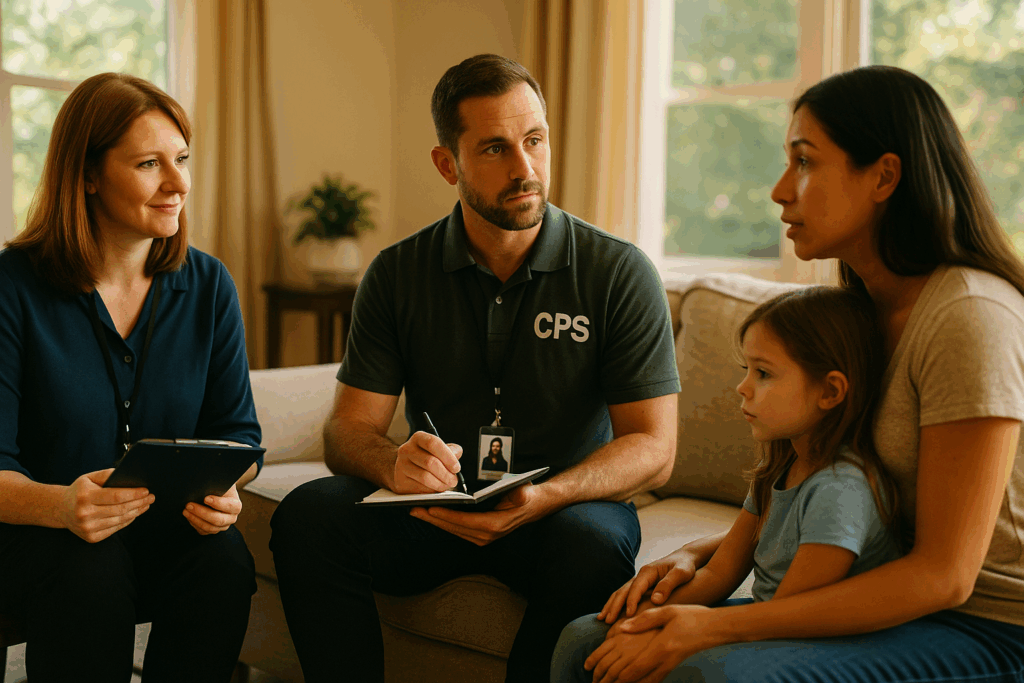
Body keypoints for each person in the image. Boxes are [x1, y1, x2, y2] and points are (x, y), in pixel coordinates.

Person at [550, 64, 1024, 683]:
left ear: (884, 176)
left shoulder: (969, 316)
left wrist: (714, 626)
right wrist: (701, 554)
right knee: (585, 641)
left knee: (709, 674)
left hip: (985, 626)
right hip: (883, 593)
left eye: (804, 161)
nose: (779, 190)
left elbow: (945, 575)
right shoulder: (857, 314)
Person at [269, 53, 680, 683]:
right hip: (434, 507)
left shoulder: (618, 272)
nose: (525, 168)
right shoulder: (397, 273)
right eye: (494, 149)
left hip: (560, 511)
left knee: (595, 547)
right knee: (308, 515)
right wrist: (393, 463)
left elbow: (654, 445)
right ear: (447, 164)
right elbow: (346, 430)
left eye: (535, 140)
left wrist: (546, 496)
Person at [0, 72, 262, 683]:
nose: (179, 184)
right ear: (87, 175)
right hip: (35, 531)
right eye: (149, 164)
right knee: (88, 568)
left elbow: (239, 438)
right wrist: (62, 506)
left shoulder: (209, 285)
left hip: (157, 531)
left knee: (224, 560)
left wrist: (226, 488)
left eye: (182, 159)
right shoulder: (13, 286)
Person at [552, 285, 905, 682]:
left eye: (763, 373)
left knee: (682, 670)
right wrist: (643, 618)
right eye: (747, 370)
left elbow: (789, 616)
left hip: (807, 640)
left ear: (830, 391)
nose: (743, 387)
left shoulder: (840, 490)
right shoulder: (779, 467)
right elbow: (720, 572)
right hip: (764, 621)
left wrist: (671, 637)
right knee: (584, 636)